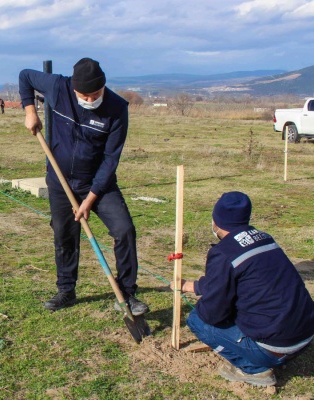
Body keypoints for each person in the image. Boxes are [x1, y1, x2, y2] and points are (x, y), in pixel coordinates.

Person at [19, 57, 148, 315]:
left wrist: (89, 199)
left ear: (104, 87)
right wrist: (30, 110)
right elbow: (25, 76)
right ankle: (66, 290)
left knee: (124, 230)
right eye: (84, 95)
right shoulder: (59, 87)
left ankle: (127, 294)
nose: (90, 100)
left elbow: (111, 159)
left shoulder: (116, 108)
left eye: (95, 94)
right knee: (64, 234)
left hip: (98, 183)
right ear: (74, 88)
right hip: (60, 179)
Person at [172, 192, 314, 387]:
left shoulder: (222, 253)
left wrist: (214, 301)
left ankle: (254, 369)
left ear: (216, 220)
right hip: (306, 335)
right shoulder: (264, 238)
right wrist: (194, 286)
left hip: (277, 347)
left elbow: (214, 313)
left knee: (198, 319)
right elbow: (246, 279)